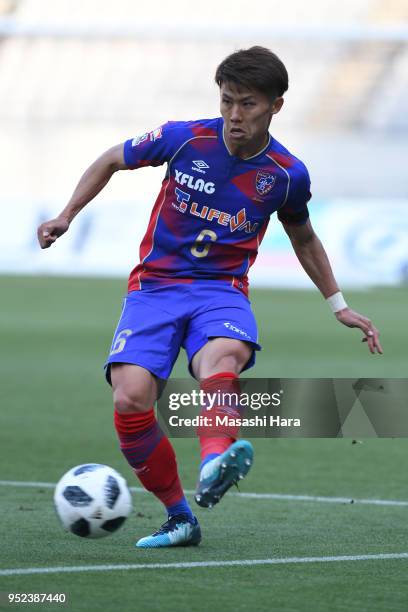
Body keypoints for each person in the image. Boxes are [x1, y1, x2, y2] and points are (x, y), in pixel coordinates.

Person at [37, 46, 382, 549]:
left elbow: (304, 238)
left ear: (275, 106)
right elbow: (113, 158)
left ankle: (215, 461)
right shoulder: (184, 139)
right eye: (226, 101)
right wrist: (67, 214)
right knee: (130, 399)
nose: (234, 115)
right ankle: (180, 517)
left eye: (248, 104)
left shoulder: (286, 175)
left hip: (222, 292)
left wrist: (339, 305)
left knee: (221, 360)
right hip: (154, 287)